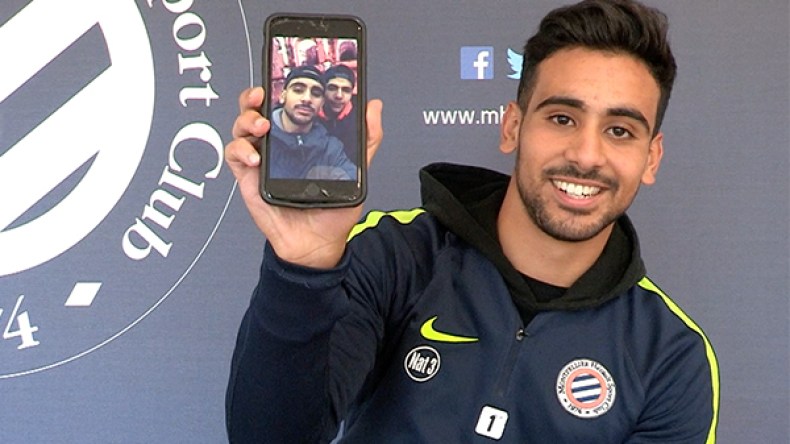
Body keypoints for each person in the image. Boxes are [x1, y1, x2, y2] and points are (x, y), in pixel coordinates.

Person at [223, 0, 720, 442]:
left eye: (620, 130)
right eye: (562, 119)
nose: (586, 155)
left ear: (651, 158)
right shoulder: (397, 256)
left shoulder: (671, 355)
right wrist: (302, 269)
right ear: (512, 127)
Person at [269, 65, 357, 180]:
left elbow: (350, 176)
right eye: (298, 90)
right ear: (282, 96)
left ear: (322, 103)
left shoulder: (330, 148)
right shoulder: (261, 135)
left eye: (316, 93)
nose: (307, 98)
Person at [319, 64, 359, 162]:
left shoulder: (360, 118)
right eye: (332, 88)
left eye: (346, 90)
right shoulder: (309, 117)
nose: (339, 95)